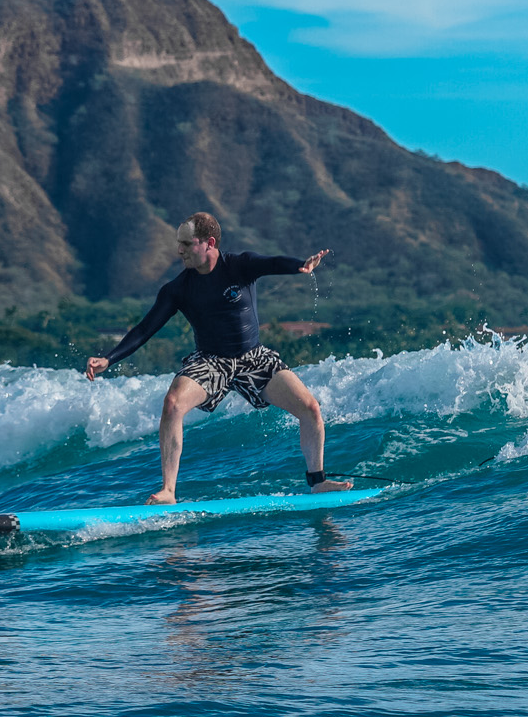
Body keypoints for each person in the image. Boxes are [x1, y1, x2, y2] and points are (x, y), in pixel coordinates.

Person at [85, 211, 352, 504]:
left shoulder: (239, 265)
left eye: (187, 243)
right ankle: (168, 491)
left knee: (311, 407)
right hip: (211, 361)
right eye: (179, 244)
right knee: (173, 403)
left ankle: (318, 482)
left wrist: (300, 265)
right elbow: (144, 329)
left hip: (254, 357)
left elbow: (272, 262)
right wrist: (109, 359)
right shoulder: (178, 289)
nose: (179, 250)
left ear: (209, 243)